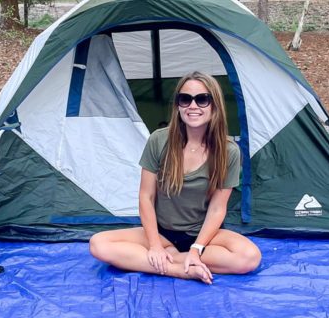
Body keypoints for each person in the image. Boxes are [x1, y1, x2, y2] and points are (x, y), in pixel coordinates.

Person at [89, 72, 262, 284]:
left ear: (214, 105)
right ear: (178, 105)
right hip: (160, 233)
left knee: (249, 257)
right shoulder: (159, 140)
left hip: (203, 237)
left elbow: (218, 208)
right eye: (185, 99)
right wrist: (154, 245)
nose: (193, 105)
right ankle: (179, 270)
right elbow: (146, 197)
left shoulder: (229, 151)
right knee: (98, 244)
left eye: (202, 99)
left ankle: (177, 259)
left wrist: (197, 250)